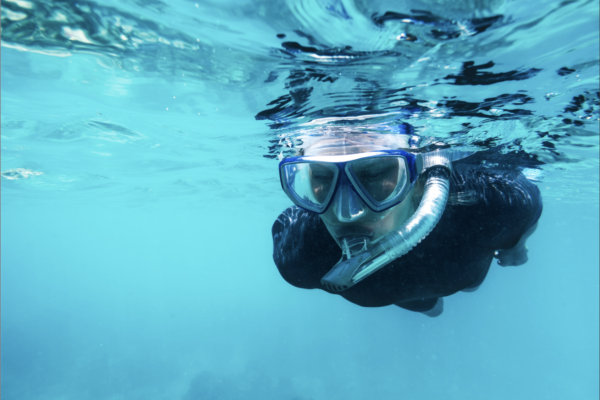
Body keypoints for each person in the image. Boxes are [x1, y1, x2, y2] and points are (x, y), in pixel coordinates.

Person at [271, 129, 543, 317]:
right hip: (407, 298)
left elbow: (526, 207)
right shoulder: (299, 256)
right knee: (431, 309)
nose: (346, 213)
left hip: (465, 272)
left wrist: (517, 245)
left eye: (375, 173)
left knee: (471, 286)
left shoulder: (495, 203)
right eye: (322, 176)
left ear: (419, 180)